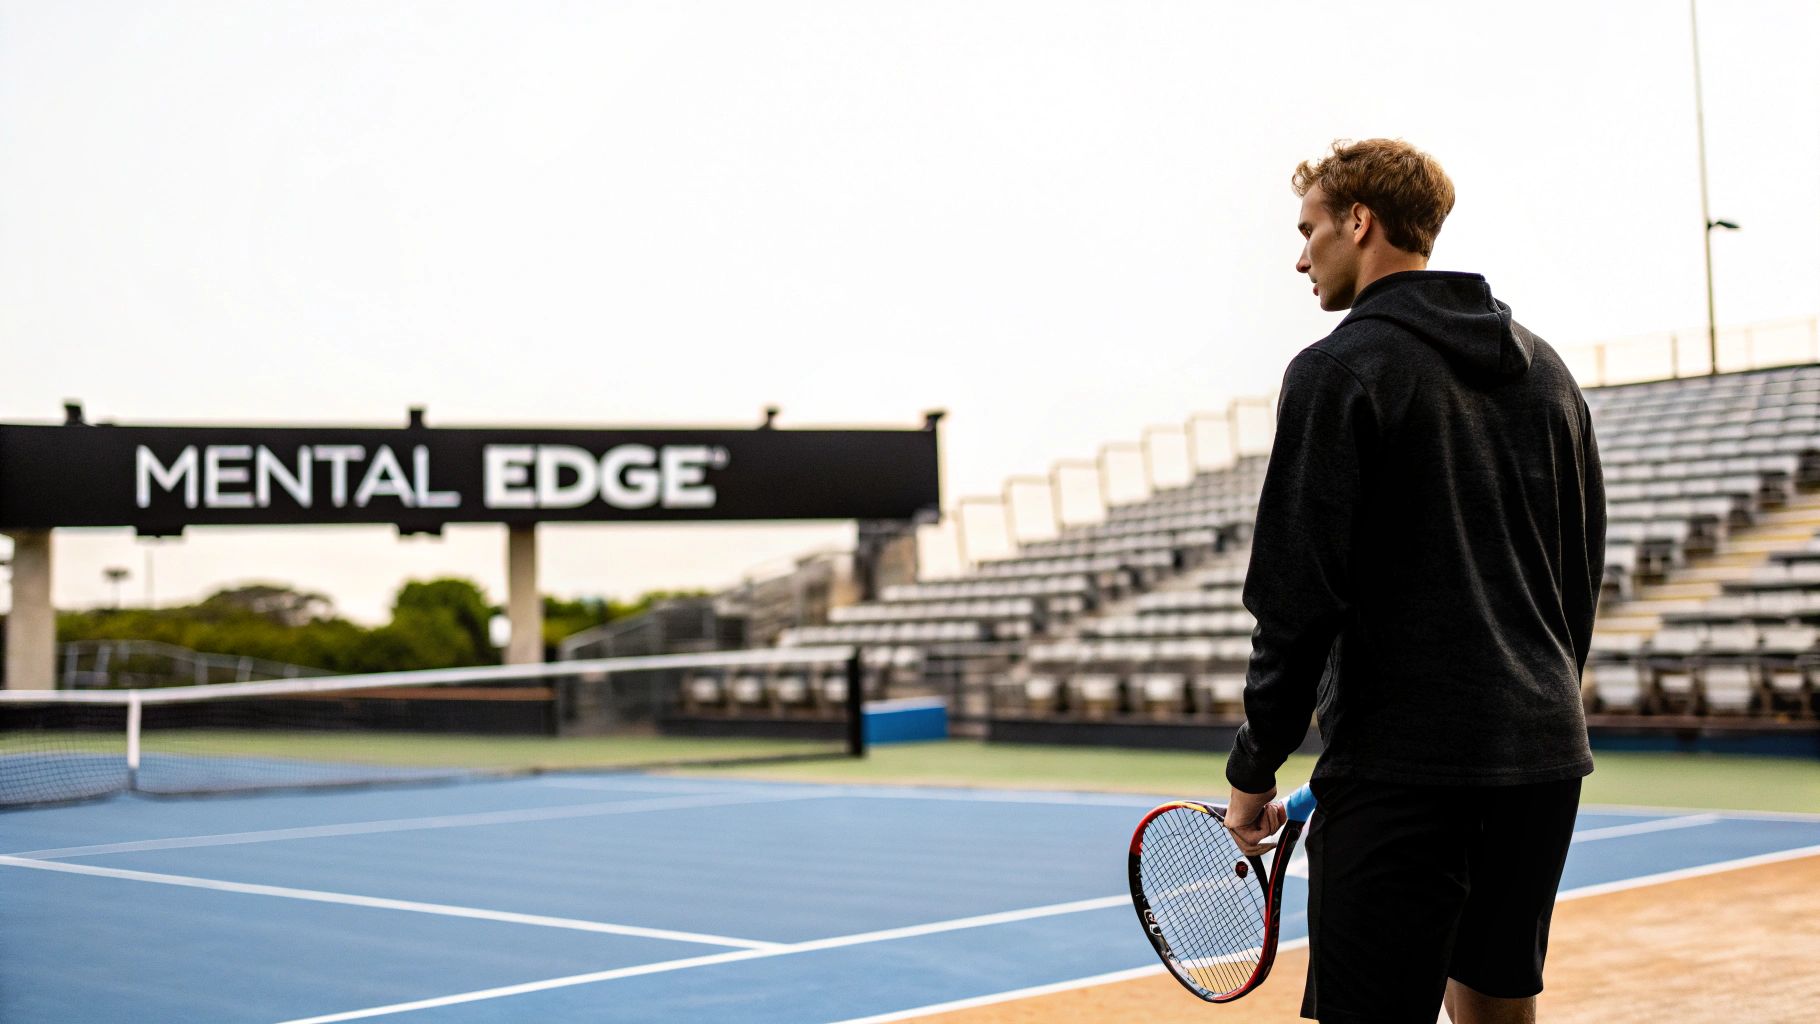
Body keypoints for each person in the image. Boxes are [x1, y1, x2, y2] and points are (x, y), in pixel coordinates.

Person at [1220, 139, 1605, 1024]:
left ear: (1361, 223)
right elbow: (1577, 579)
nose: (1300, 254)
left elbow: (1295, 598)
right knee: (1499, 1004)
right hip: (1539, 753)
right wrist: (1532, 699)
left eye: (1310, 228)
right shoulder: (1549, 374)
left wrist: (1254, 769)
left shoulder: (1337, 369)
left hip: (1405, 767)